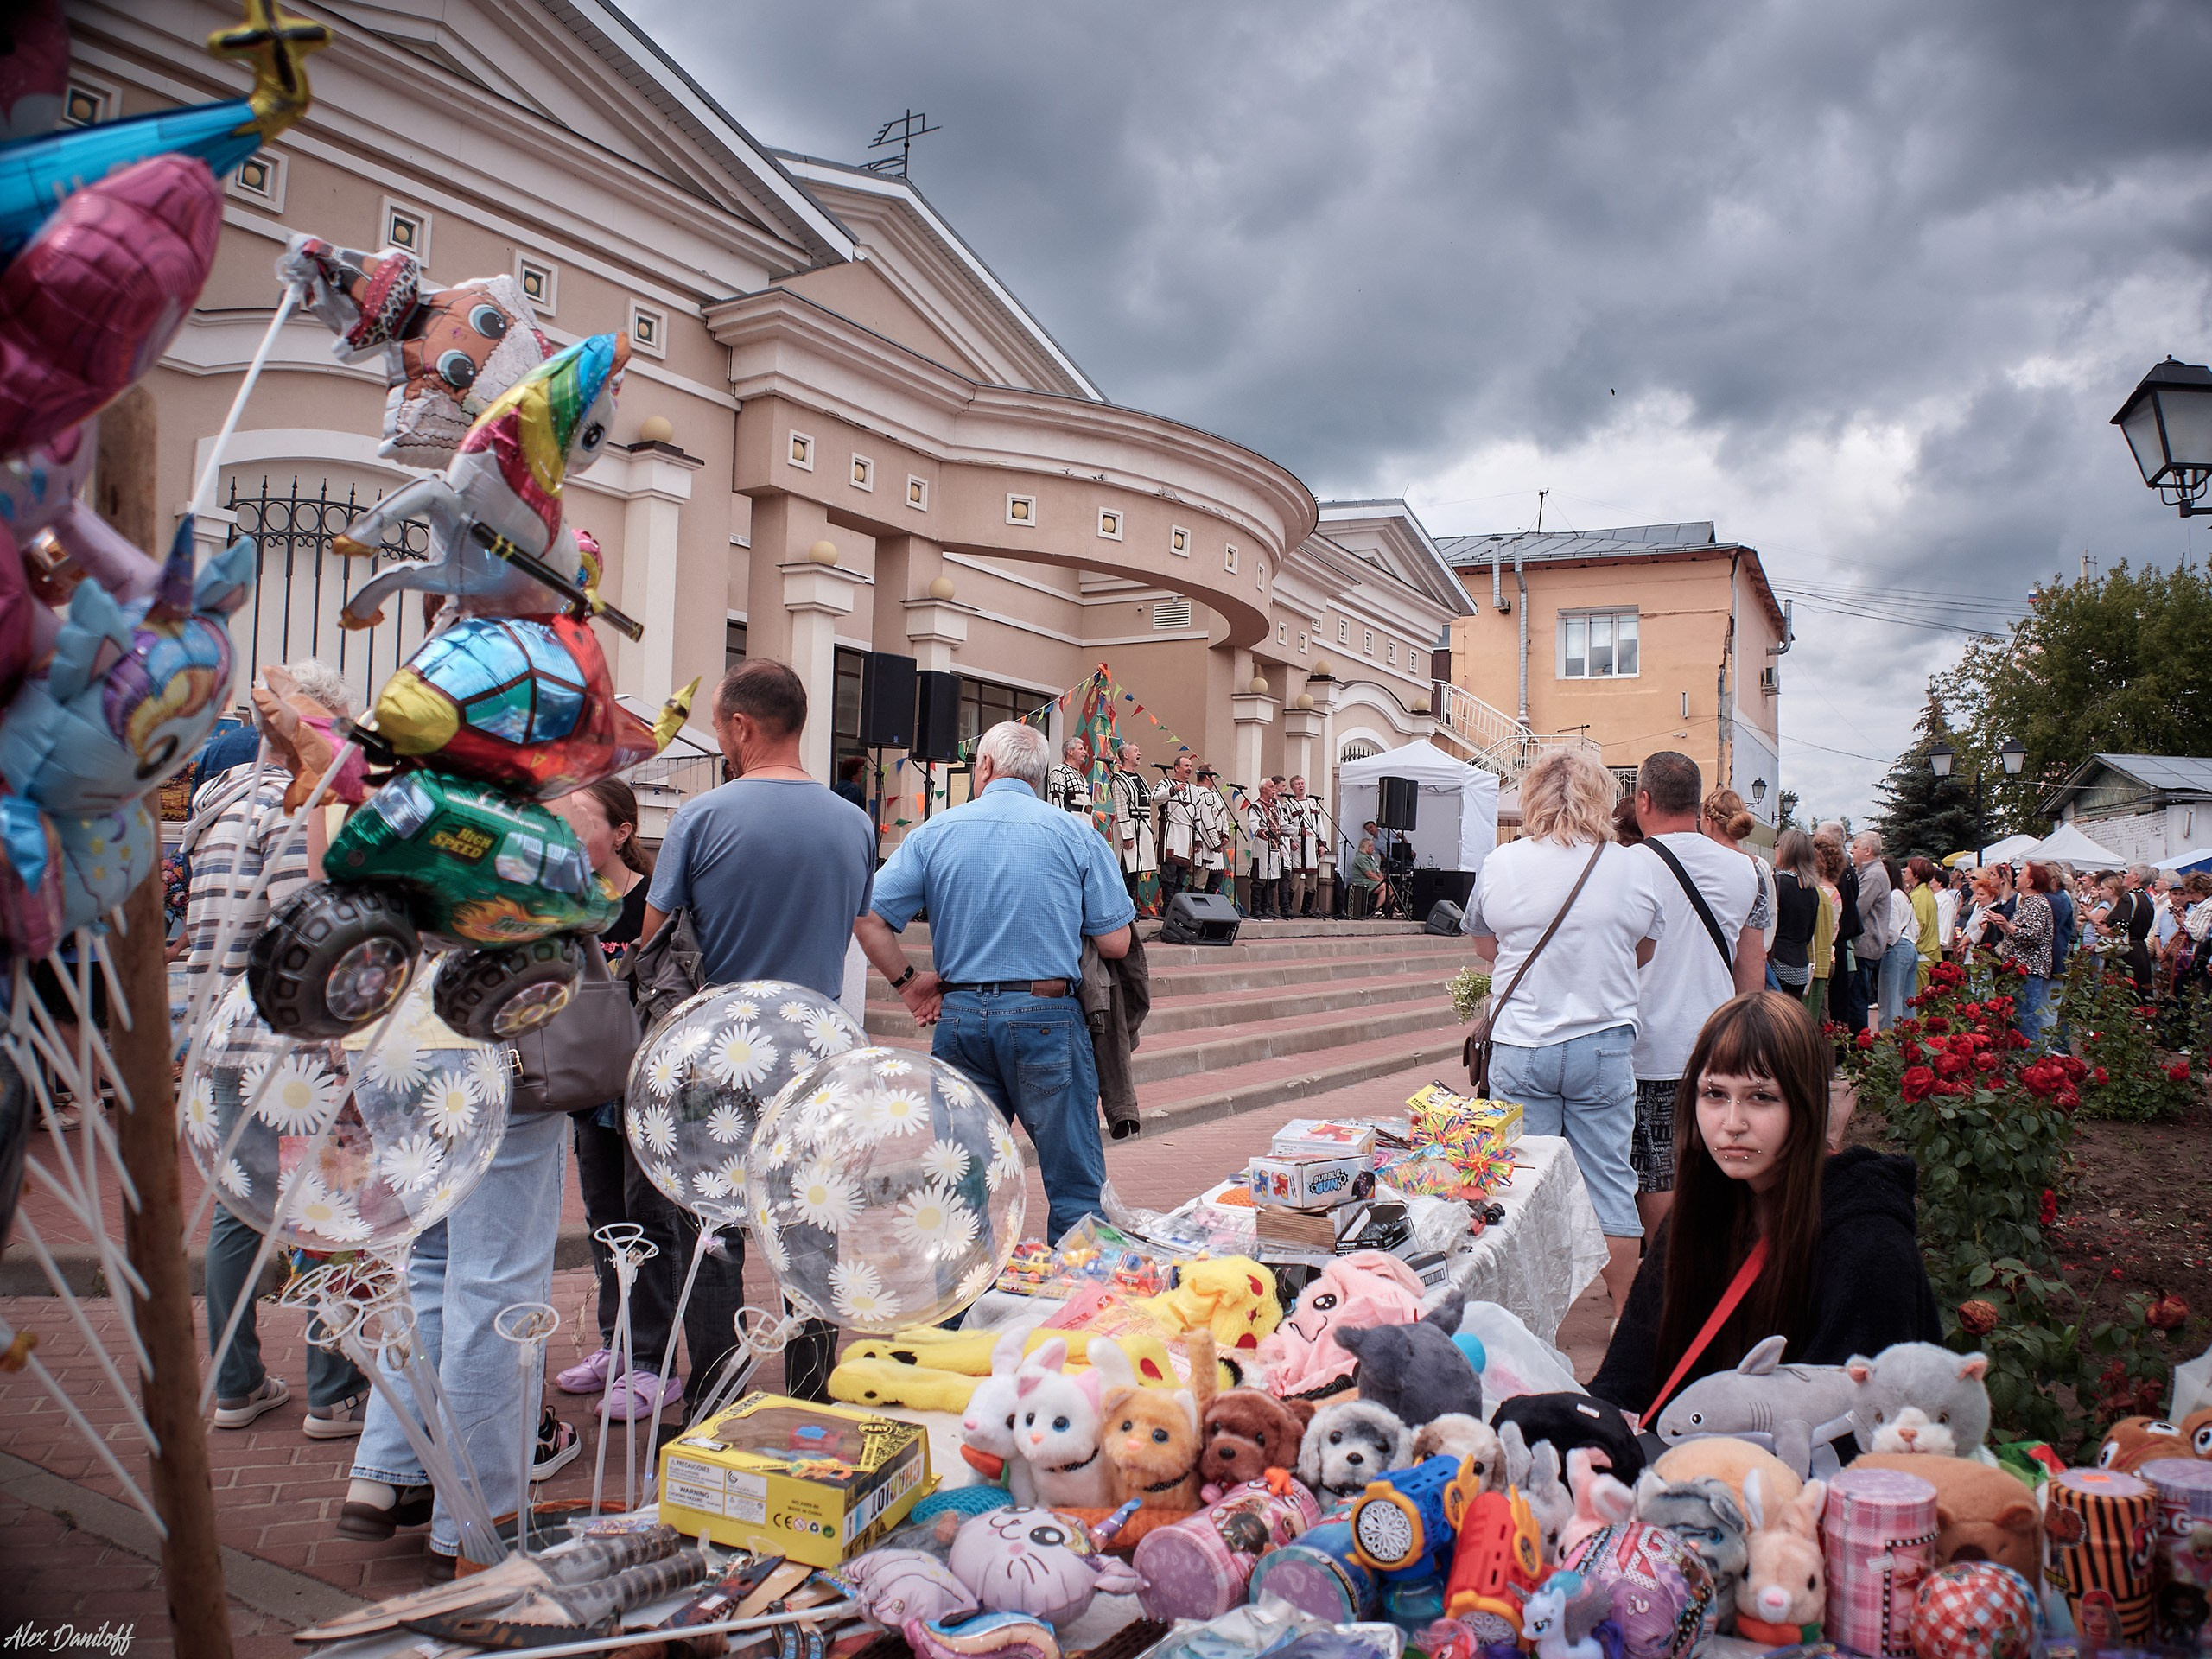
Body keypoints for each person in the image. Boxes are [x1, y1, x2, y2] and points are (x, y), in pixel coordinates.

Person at [639, 658, 878, 1400]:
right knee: (811, 1224)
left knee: (714, 1226)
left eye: (719, 727)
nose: (720, 740)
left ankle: (715, 1394)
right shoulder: (855, 821)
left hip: (723, 1050)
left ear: (742, 726)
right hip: (820, 1048)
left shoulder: (703, 816)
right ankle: (812, 1391)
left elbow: (652, 939)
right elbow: (861, 920)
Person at [1589, 992, 1943, 1420]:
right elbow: (1626, 1379)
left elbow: (1854, 1435)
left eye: (1761, 1097)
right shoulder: (1702, 1210)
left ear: (1807, 1102)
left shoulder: (1868, 1244)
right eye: (1715, 1094)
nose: (1733, 1123)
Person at [855, 721, 1135, 1241]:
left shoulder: (935, 832)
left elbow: (868, 917)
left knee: (959, 1183)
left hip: (960, 1018)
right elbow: (1116, 942)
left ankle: (959, 1315)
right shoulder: (1076, 833)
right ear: (1043, 776)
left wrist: (911, 983)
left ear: (984, 767)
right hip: (1048, 1015)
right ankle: (1077, 1309)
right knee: (1075, 1184)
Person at [187, 662, 371, 1440]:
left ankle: (235, 1384)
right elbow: (311, 937)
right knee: (324, 1203)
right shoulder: (303, 810)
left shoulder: (218, 807)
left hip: (223, 1036)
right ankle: (332, 1391)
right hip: (290, 1040)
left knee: (240, 1208)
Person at [1463, 749, 1668, 1316]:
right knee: (1608, 1183)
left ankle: (1530, 1319)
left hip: (1523, 1045)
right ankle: (1625, 1317)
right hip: (1603, 1044)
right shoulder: (1635, 865)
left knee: (1524, 1188)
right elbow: (1644, 950)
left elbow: (1485, 946)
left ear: (1532, 799)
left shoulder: (1502, 863)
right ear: (1602, 799)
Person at [555, 779, 733, 1422]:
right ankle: (618, 1344)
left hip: (646, 1090)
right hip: (586, 1085)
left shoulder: (652, 908)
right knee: (604, 1219)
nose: (568, 830)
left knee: (648, 1223)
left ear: (622, 833)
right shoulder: (567, 903)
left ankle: (655, 1365)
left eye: (582, 818)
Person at [1631, 753, 1768, 1235]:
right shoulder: (1748, 872)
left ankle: (1672, 1281)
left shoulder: (1625, 867)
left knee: (1657, 1171)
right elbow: (1752, 969)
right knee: (1714, 1163)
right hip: (1718, 1041)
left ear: (1644, 799)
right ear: (1696, 803)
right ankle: (1715, 1270)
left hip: (1649, 1045)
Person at [1982, 860, 2057, 1046]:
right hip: (2019, 968)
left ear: (2031, 882)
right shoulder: (2027, 902)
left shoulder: (2036, 903)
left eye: (2022, 874)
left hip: (2029, 968)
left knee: (2027, 1017)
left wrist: (2007, 926)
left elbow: (2033, 935)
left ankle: (2030, 1060)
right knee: (2018, 1016)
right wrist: (2001, 923)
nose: (2018, 877)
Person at [1703, 788, 1777, 958]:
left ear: (1709, 822)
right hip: (1754, 956)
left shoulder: (1707, 865)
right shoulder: (1761, 866)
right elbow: (1769, 917)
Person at [1818, 822, 1866, 1033]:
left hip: (1835, 946)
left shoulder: (1837, 877)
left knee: (1833, 1008)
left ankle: (1835, 1055)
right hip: (1841, 946)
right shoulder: (1847, 872)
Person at [1103, 741, 1160, 905]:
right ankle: (1122, 906)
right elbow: (1120, 808)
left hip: (1141, 827)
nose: (1139, 753)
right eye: (1135, 750)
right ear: (1125, 755)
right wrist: (1127, 836)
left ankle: (1132, 905)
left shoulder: (1141, 779)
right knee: (1126, 869)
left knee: (1136, 871)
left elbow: (1150, 799)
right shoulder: (1118, 779)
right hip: (1128, 827)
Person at [1768, 830, 1820, 1005]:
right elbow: (1808, 933)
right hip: (1800, 966)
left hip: (1777, 962)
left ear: (1786, 850)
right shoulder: (1812, 891)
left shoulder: (1776, 883)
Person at [1850, 832, 1896, 1027]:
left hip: (1865, 945)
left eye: (1855, 847)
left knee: (1857, 1000)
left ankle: (1858, 1045)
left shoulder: (1874, 875)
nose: (1851, 850)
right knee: (1857, 998)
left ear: (1867, 851)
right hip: (1866, 945)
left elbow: (1857, 909)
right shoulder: (1868, 872)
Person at [1154, 753, 1204, 899]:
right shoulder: (1165, 783)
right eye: (1186, 766)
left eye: (1190, 766)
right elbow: (1155, 798)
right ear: (1177, 768)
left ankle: (1177, 906)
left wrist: (1197, 839)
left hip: (1186, 835)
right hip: (1171, 833)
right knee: (1169, 875)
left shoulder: (1194, 790)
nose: (1189, 769)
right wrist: (1172, 790)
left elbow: (1197, 815)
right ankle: (1168, 907)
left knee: (1181, 877)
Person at [1808, 836, 1845, 1026]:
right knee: (1824, 1017)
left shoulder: (1818, 891)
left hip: (1816, 959)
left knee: (1816, 1018)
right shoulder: (1834, 891)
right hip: (1829, 955)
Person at [1281, 776, 1323, 918]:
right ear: (1292, 788)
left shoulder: (1313, 803)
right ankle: (1288, 909)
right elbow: (1285, 826)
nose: (1301, 786)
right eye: (1298, 784)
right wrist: (1291, 841)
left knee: (1312, 883)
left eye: (1302, 783)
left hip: (1311, 846)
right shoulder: (1288, 805)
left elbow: (1319, 825)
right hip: (1298, 846)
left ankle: (1306, 909)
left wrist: (1322, 843)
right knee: (1294, 881)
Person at [1243, 778, 1286, 918]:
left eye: (1274, 787)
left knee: (1272, 879)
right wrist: (1261, 832)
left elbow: (1282, 825)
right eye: (1271, 787)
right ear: (1263, 789)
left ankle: (1267, 908)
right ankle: (1256, 909)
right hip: (1262, 847)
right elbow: (1253, 824)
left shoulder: (1276, 806)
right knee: (1260, 879)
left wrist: (1299, 831)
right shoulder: (1256, 806)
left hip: (1275, 848)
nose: (1274, 789)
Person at [1193, 764, 1233, 894]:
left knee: (1215, 879)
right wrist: (1215, 844)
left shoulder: (1215, 795)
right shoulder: (1199, 793)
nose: (1215, 778)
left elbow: (1223, 816)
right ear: (1207, 777)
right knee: (1200, 881)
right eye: (1213, 775)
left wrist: (1225, 834)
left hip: (1217, 843)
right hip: (1205, 843)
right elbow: (1206, 820)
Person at [1906, 856, 1940, 996]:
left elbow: (1916, 926)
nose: (1905, 870)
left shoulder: (1919, 896)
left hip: (1922, 954)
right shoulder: (1924, 893)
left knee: (1918, 1000)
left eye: (1909, 867)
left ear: (1917, 874)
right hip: (1926, 953)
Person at [1046, 736, 1093, 816]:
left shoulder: (1080, 775)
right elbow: (1056, 800)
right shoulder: (1060, 771)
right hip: (1071, 821)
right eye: (1080, 749)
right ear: (1070, 752)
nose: (1085, 752)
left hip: (1084, 823)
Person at [1346, 836, 1389, 918]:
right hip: (1363, 882)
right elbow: (1369, 874)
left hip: (1372, 881)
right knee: (1384, 888)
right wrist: (1381, 882)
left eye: (1373, 846)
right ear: (1364, 847)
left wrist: (1383, 880)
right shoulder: (1360, 858)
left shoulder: (1371, 858)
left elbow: (1377, 870)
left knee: (1390, 888)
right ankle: (1377, 911)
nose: (1372, 848)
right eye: (1370, 846)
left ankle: (1395, 911)